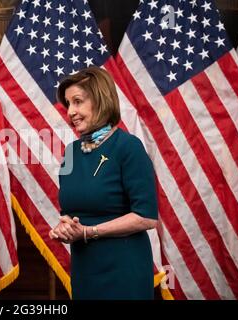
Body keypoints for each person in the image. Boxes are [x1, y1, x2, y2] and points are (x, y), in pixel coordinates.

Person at [50, 66, 158, 300]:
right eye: (68, 104)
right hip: (84, 270)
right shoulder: (71, 153)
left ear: (100, 100)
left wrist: (89, 232)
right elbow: (69, 212)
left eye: (77, 101)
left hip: (124, 270)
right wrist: (64, 228)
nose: (71, 112)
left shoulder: (129, 147)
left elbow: (147, 217)